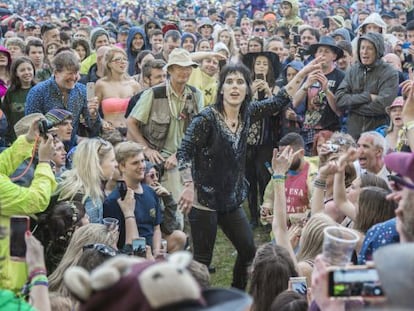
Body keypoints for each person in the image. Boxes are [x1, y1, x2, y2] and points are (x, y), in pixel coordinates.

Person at [177, 60, 320, 289]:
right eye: (230, 82)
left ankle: (237, 295)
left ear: (247, 89)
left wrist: (304, 72)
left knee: (249, 252)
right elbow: (183, 153)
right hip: (204, 200)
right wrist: (187, 183)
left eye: (240, 82)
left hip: (232, 199)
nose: (235, 87)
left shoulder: (248, 113)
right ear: (221, 88)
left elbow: (279, 99)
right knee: (201, 263)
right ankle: (197, 303)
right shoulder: (206, 119)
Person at [126, 48, 203, 228]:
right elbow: (131, 122)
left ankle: (182, 244)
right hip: (156, 160)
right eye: (179, 67)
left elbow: (199, 130)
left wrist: (179, 154)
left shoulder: (195, 94)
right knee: (159, 213)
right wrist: (146, 149)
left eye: (188, 68)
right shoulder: (154, 93)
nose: (185, 72)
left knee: (180, 213)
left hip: (183, 160)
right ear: (170, 70)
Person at [0, 117, 56, 292]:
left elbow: (3, 165)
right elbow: (36, 200)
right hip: (6, 287)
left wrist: (28, 139)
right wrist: (45, 162)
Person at [104, 141, 185, 255]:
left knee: (179, 237)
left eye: (142, 161)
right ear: (122, 166)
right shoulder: (114, 200)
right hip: (130, 254)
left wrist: (156, 251)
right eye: (135, 163)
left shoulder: (150, 192)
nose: (142, 166)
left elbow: (156, 228)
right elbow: (113, 242)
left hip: (152, 249)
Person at [25, 50, 101, 146]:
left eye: (76, 73)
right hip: (44, 148)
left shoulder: (82, 91)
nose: (74, 77)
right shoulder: (38, 92)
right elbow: (31, 128)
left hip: (71, 148)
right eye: (70, 73)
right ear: (56, 73)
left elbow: (95, 129)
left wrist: (93, 114)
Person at [335, 32, 399, 139]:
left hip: (378, 134)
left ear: (378, 50)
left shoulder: (389, 72)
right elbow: (340, 100)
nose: (364, 52)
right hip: (353, 134)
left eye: (369, 48)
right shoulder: (353, 70)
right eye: (362, 47)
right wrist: (368, 97)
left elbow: (384, 106)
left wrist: (353, 107)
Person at [55, 138, 117, 224]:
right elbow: (91, 235)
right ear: (96, 164)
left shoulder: (63, 181)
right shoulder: (90, 199)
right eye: (112, 160)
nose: (116, 164)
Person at [95, 47, 140, 136]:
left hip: (130, 133)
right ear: (109, 64)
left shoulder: (134, 85)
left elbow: (140, 112)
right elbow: (93, 111)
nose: (122, 62)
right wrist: (102, 122)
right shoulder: (101, 84)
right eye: (118, 60)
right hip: (109, 133)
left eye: (124, 59)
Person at [1, 56, 36, 144]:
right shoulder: (10, 93)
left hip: (36, 139)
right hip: (16, 140)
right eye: (22, 70)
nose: (27, 72)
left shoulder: (39, 90)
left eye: (29, 69)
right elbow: (7, 117)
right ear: (16, 73)